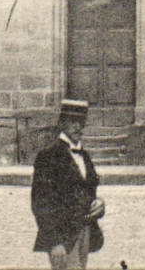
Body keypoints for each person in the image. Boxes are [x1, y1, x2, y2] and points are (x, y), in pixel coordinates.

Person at [31, 99, 105, 269]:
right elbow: (41, 203)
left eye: (81, 122)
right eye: (72, 122)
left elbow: (88, 190)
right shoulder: (48, 155)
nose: (77, 127)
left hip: (85, 231)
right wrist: (55, 242)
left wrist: (99, 204)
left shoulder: (84, 156)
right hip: (62, 236)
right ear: (62, 123)